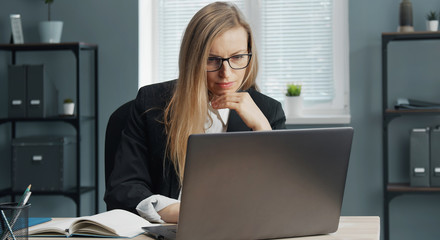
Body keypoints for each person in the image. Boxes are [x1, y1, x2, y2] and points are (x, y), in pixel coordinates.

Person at [104, 1, 286, 224]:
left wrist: (263, 130)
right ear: (193, 59)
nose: (226, 73)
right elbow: (123, 189)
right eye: (212, 60)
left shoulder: (268, 111)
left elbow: (279, 201)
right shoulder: (151, 103)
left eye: (238, 57)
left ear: (249, 55)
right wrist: (182, 213)